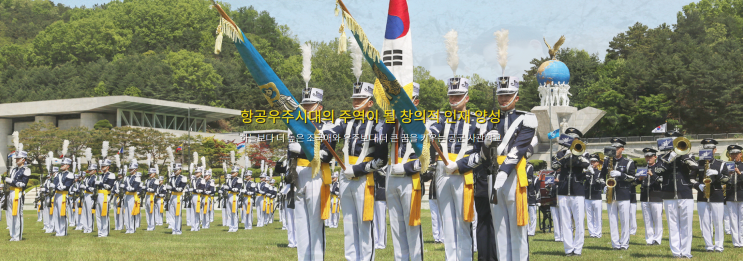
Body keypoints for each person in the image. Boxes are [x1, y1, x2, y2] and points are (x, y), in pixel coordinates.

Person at [324, 81, 386, 261]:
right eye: (355, 98)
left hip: (364, 178)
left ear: (370, 103)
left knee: (365, 223)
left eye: (361, 99)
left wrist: (358, 170)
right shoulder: (345, 123)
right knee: (349, 224)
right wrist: (323, 134)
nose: (356, 102)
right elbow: (332, 133)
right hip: (345, 177)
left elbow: (382, 160)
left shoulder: (378, 125)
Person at [483, 76, 536, 261]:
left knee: (517, 227)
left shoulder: (526, 118)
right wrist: (485, 142)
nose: (504, 99)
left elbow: (520, 147)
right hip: (494, 174)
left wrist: (504, 170)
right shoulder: (489, 120)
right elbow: (482, 153)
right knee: (500, 228)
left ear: (517, 97)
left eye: (508, 95)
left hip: (514, 175)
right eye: (501, 95)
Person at [379, 83, 428, 261]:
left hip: (410, 177)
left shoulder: (424, 122)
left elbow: (428, 157)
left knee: (412, 226)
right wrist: (392, 118)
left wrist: (407, 167)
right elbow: (380, 141)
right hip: (392, 177)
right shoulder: (392, 121)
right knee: (396, 226)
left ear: (416, 101)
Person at [654, 132, 696, 258]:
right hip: (668, 193)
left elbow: (695, 167)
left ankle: (686, 251)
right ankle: (676, 252)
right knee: (673, 225)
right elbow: (658, 171)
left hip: (685, 193)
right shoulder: (663, 157)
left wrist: (684, 157)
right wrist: (669, 157)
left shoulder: (688, 155)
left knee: (686, 225)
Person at [552, 128, 590, 256]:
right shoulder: (560, 153)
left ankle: (578, 249)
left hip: (577, 189)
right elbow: (555, 165)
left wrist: (575, 155)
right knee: (565, 221)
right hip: (563, 189)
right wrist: (566, 154)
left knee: (579, 221)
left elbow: (586, 164)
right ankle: (568, 249)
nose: (573, 140)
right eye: (570, 138)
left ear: (578, 139)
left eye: (574, 138)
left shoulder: (583, 152)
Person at [601, 137, 636, 250]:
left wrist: (621, 175)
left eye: (617, 148)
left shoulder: (628, 162)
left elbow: (633, 178)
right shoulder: (606, 161)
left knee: (625, 220)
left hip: (623, 194)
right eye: (613, 147)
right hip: (610, 194)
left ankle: (624, 244)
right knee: (612, 220)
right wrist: (604, 186)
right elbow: (601, 177)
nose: (615, 149)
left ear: (622, 149)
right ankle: (615, 244)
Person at [694, 139, 727, 252]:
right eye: (705, 149)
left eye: (710, 149)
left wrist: (717, 174)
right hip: (702, 196)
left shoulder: (721, 164)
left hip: (716, 194)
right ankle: (708, 245)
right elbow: (691, 178)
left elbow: (727, 179)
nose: (708, 151)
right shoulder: (698, 164)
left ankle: (719, 246)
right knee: (704, 222)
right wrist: (698, 185)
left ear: (715, 150)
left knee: (718, 222)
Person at [6, 150, 31, 241]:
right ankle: (13, 235)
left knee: (17, 214)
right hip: (11, 192)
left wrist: (11, 181)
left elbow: (23, 184)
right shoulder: (14, 169)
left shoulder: (26, 170)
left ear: (23, 160)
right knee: (11, 214)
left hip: (18, 193)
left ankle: (18, 236)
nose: (16, 160)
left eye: (18, 158)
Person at [640, 148, 663, 245]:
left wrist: (652, 175)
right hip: (644, 195)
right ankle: (649, 239)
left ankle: (657, 239)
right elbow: (636, 182)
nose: (648, 158)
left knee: (657, 218)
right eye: (646, 156)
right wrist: (640, 178)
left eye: (650, 156)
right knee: (647, 219)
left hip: (656, 195)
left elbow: (661, 180)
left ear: (655, 157)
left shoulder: (659, 168)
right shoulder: (642, 168)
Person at [725, 145, 743, 248]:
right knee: (733, 220)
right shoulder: (726, 165)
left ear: (740, 154)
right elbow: (721, 179)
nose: (734, 156)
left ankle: (742, 240)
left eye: (736, 154)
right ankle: (736, 242)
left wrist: (739, 173)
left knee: (742, 220)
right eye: (732, 154)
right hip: (731, 196)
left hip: (741, 196)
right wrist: (729, 175)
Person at [52, 158, 75, 236]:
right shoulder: (58, 174)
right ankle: (58, 231)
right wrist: (56, 187)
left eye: (63, 164)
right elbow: (54, 183)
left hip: (63, 195)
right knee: (56, 213)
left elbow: (67, 185)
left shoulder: (70, 174)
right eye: (61, 164)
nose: (61, 165)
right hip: (57, 194)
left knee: (62, 214)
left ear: (68, 166)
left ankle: (63, 231)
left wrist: (59, 186)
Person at [584, 154, 604, 238]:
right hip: (587, 197)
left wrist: (595, 176)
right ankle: (591, 233)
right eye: (591, 161)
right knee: (589, 216)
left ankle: (598, 232)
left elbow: (603, 184)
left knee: (598, 216)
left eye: (594, 162)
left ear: (598, 163)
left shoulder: (600, 173)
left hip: (596, 197)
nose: (593, 163)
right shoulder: (587, 172)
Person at [167, 164, 187, 235]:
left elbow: (180, 189)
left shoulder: (183, 178)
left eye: (176, 170)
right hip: (172, 196)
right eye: (174, 170)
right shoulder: (171, 178)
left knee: (177, 214)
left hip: (178, 197)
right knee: (171, 214)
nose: (175, 171)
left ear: (180, 170)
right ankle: (173, 229)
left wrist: (171, 188)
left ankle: (178, 230)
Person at [124, 162, 142, 234]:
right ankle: (128, 228)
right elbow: (124, 186)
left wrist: (128, 188)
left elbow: (135, 188)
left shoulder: (137, 178)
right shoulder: (127, 177)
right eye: (130, 168)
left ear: (135, 169)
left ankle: (132, 228)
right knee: (126, 213)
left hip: (133, 196)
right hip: (127, 195)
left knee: (132, 213)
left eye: (131, 169)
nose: (130, 170)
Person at [81, 163, 98, 234]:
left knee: (89, 212)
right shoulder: (87, 178)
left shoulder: (96, 178)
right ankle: (85, 227)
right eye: (89, 170)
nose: (89, 171)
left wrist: (86, 187)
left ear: (95, 170)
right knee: (84, 212)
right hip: (85, 195)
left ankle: (90, 228)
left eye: (91, 170)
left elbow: (94, 189)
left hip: (91, 196)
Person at [527, 162, 539, 237]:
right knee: (525, 216)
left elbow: (538, 191)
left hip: (532, 199)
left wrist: (538, 200)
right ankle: (527, 230)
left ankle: (532, 231)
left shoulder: (535, 179)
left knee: (533, 216)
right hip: (525, 199)